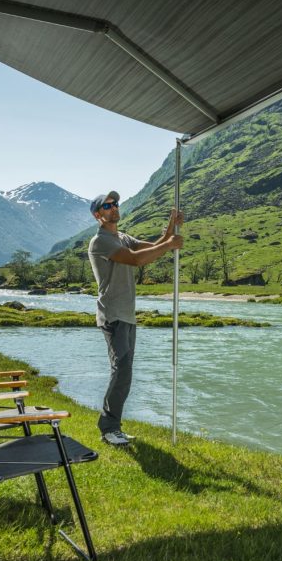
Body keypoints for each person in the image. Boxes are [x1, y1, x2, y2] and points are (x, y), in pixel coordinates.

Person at [87, 190, 183, 447]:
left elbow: (152, 248)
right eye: (107, 205)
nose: (114, 207)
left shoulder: (122, 237)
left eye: (115, 203)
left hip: (127, 315)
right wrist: (170, 243)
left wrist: (170, 230)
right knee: (122, 370)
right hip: (113, 314)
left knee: (125, 371)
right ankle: (108, 428)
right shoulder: (101, 242)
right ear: (98, 215)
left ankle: (113, 426)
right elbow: (135, 260)